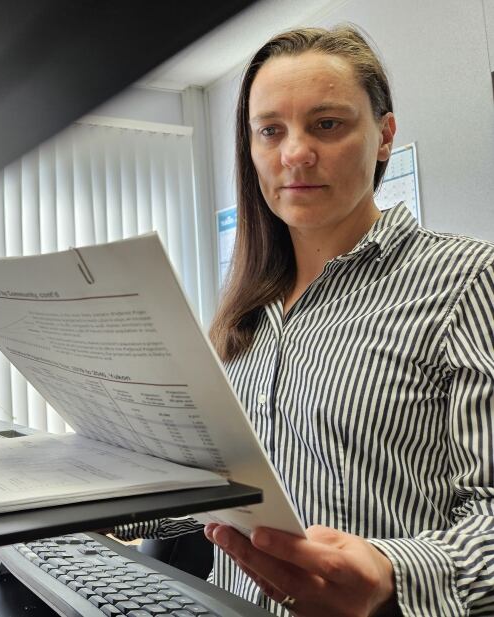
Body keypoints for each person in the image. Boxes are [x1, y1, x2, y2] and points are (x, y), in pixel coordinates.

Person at [117, 25, 494, 616]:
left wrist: (390, 574)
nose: (294, 153)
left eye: (327, 124)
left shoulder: (468, 279)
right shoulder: (244, 311)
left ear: (385, 136)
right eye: (271, 131)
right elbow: (220, 490)